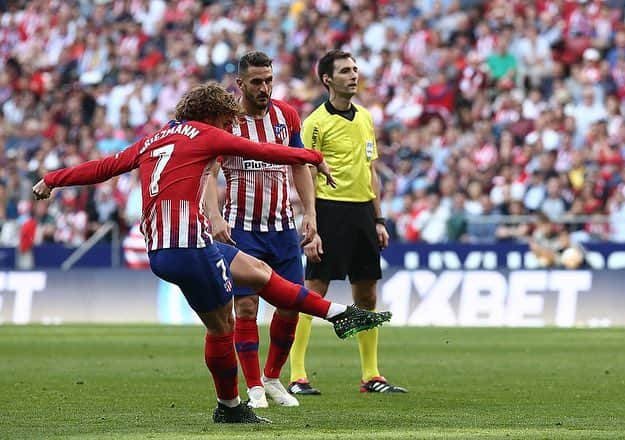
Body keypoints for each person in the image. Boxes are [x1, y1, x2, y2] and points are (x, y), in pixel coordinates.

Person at [31, 83, 392, 423]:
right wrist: (312, 156)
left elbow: (102, 168)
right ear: (213, 115)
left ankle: (338, 313)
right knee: (223, 327)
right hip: (190, 246)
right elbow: (263, 151)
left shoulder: (153, 140)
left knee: (257, 272)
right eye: (227, 120)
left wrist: (52, 179)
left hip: (164, 247)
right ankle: (230, 407)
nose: (230, 126)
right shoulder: (206, 133)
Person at [288, 50, 406, 395]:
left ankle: (371, 376)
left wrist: (379, 218)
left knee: (367, 294)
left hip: (362, 214)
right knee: (313, 293)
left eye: (355, 69)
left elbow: (371, 171)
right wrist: (311, 222)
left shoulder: (366, 118)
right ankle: (297, 376)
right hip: (328, 210)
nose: (354, 75)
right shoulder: (314, 123)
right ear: (328, 79)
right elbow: (306, 171)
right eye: (345, 71)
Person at [202, 51, 311, 409]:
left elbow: (299, 164)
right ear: (240, 84)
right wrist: (215, 218)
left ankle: (273, 377)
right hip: (242, 230)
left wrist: (310, 213)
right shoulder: (226, 121)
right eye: (256, 82)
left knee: (291, 306)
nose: (264, 88)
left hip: (283, 229)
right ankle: (254, 388)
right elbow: (208, 173)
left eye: (269, 80)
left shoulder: (286, 116)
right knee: (246, 308)